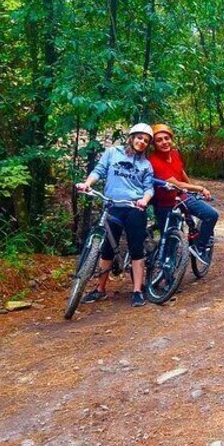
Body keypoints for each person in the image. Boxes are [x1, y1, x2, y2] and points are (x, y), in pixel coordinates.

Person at [75, 123, 155, 308]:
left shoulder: (146, 164)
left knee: (136, 249)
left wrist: (144, 200)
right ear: (131, 137)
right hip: (112, 206)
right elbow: (99, 171)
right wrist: (88, 184)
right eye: (139, 137)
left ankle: (136, 291)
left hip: (134, 208)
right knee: (107, 249)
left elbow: (149, 188)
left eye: (146, 140)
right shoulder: (113, 153)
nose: (141, 142)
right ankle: (100, 289)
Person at [148, 123, 219, 265]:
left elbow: (181, 173)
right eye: (159, 140)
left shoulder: (174, 154)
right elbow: (175, 183)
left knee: (211, 215)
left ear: (171, 138)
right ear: (154, 144)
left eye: (166, 138)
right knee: (170, 241)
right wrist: (200, 188)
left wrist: (191, 188)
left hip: (182, 197)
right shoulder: (153, 161)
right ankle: (168, 276)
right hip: (165, 204)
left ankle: (200, 247)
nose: (164, 142)